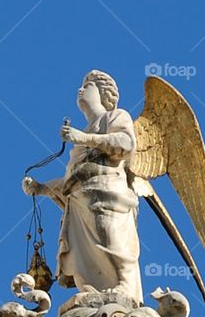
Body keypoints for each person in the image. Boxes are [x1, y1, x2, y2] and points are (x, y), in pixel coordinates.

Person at [23, 71, 143, 301]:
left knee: (110, 238)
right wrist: (41, 188)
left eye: (87, 85)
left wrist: (84, 139)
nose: (81, 89)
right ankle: (92, 291)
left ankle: (125, 286)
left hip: (107, 193)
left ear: (104, 93)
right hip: (80, 200)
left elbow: (126, 144)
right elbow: (72, 180)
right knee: (81, 254)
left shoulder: (116, 116)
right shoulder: (81, 135)